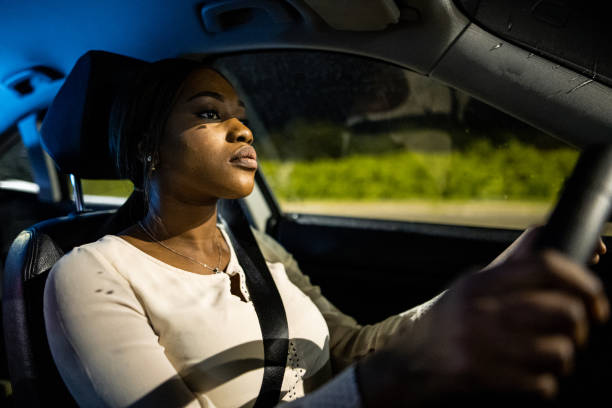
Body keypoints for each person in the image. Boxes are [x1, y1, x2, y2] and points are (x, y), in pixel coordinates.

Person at [43, 58, 609, 408]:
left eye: (242, 115)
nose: (242, 128)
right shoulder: (90, 274)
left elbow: (349, 350)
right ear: (148, 146)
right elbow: (370, 372)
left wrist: (498, 276)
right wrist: (393, 377)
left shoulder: (258, 248)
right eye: (210, 113)